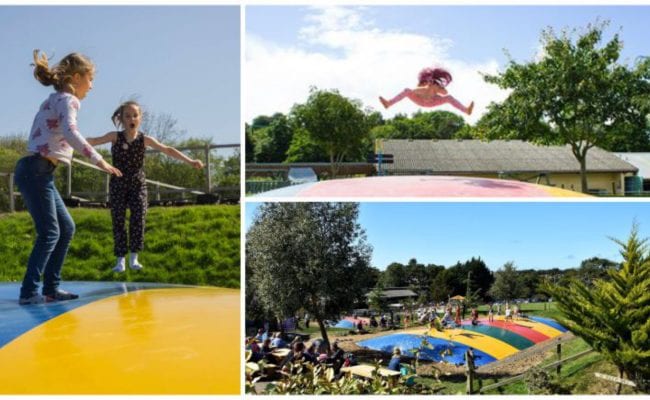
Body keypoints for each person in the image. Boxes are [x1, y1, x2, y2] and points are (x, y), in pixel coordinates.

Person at [15, 50, 122, 305]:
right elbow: (71, 132)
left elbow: (61, 133)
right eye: (90, 79)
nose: (92, 86)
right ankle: (29, 291)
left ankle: (51, 288)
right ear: (76, 77)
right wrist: (99, 160)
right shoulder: (69, 100)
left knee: (66, 228)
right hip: (35, 171)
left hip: (39, 171)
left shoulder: (54, 99)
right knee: (50, 232)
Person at [86, 101, 204, 272]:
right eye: (127, 116)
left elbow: (168, 150)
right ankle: (120, 260)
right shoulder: (114, 137)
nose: (131, 118)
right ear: (121, 119)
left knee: (138, 217)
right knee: (118, 219)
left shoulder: (145, 139)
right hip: (118, 183)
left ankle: (134, 257)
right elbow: (93, 141)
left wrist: (190, 161)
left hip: (137, 184)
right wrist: (69, 139)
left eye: (135, 115)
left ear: (140, 118)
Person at [379, 67, 474, 115]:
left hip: (433, 102)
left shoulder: (436, 87)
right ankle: (388, 103)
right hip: (421, 101)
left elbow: (446, 93)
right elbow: (413, 91)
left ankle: (466, 110)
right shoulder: (423, 87)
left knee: (449, 98)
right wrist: (424, 88)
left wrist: (438, 88)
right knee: (407, 90)